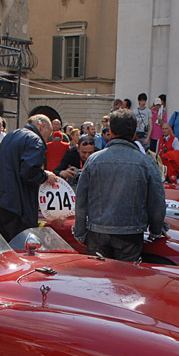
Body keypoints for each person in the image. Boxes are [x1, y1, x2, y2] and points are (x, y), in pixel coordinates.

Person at [73, 109, 166, 261]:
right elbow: (157, 201)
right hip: (130, 235)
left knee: (98, 281)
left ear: (111, 131)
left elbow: (81, 200)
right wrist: (156, 230)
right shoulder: (146, 162)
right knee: (125, 281)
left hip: (97, 233)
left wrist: (80, 232)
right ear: (134, 133)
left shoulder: (93, 160)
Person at [0, 113, 59, 241]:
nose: (48, 139)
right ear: (42, 127)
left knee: (2, 246)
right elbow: (28, 172)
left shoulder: (10, 135)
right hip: (16, 203)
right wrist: (44, 176)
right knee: (20, 246)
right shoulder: (35, 140)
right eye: (49, 133)